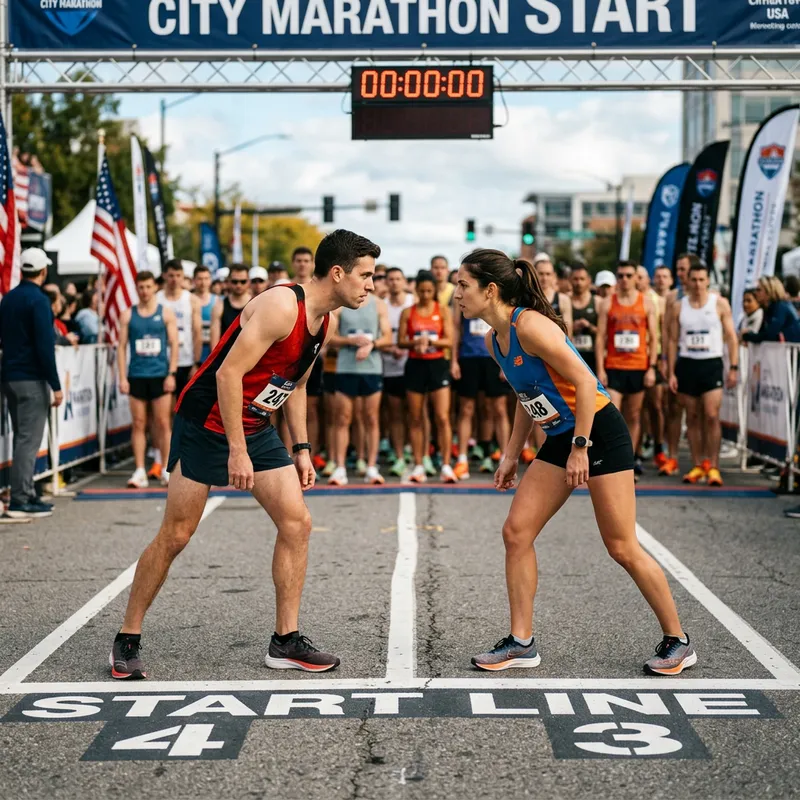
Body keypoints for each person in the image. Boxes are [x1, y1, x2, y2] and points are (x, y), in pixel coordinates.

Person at [109, 229, 380, 680]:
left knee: (298, 522)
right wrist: (237, 451)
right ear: (338, 273)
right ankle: (127, 638)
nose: (371, 284)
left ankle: (285, 641)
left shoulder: (324, 320)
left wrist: (302, 449)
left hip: (254, 425)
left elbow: (296, 386)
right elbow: (228, 375)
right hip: (207, 423)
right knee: (177, 534)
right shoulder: (281, 306)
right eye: (365, 275)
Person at [454, 248, 695, 676]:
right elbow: (525, 396)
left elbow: (586, 382)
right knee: (516, 532)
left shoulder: (530, 326)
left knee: (620, 546)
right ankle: (521, 643)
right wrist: (511, 454)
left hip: (598, 430)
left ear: (490, 290)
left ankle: (678, 640)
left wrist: (581, 447)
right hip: (562, 435)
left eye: (462, 285)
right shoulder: (495, 340)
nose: (455, 293)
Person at [0, 248, 63, 518]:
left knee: (22, 438)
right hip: (31, 377)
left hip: (10, 375)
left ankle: (25, 492)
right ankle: (21, 497)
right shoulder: (38, 300)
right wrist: (56, 384)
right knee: (28, 440)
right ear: (43, 271)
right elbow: (44, 346)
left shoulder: (9, 299)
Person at [666, 262, 739, 486]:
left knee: (711, 415)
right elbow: (672, 340)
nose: (697, 284)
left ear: (708, 281)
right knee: (693, 417)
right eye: (693, 280)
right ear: (687, 281)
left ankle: (714, 466)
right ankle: (698, 464)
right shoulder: (680, 306)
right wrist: (671, 371)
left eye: (701, 280)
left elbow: (731, 337)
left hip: (711, 363)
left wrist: (733, 367)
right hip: (688, 364)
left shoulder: (719, 304)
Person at [595, 261, 659, 475]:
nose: (624, 280)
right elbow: (600, 337)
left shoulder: (646, 303)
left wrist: (652, 368)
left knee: (634, 414)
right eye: (620, 275)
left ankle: (629, 459)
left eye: (628, 275)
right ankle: (613, 457)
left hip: (638, 366)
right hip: (614, 366)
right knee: (613, 413)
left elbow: (654, 337)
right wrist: (600, 369)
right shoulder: (607, 303)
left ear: (635, 278)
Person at [118, 272, 179, 490]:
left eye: (147, 287)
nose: (144, 291)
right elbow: (122, 347)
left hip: (160, 375)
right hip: (137, 375)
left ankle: (166, 468)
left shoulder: (165, 313)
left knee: (163, 423)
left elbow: (174, 343)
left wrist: (171, 373)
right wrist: (122, 377)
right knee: (139, 423)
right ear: (136, 289)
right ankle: (140, 469)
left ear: (154, 288)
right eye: (140, 287)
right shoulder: (127, 315)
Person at [398, 271, 457, 484]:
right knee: (415, 417)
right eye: (421, 291)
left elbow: (449, 340)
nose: (425, 295)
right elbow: (401, 341)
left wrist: (430, 342)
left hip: (437, 364)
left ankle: (446, 465)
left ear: (434, 291)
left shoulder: (442, 310)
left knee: (442, 417)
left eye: (429, 291)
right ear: (416, 290)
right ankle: (419, 464)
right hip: (415, 365)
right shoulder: (408, 312)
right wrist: (416, 342)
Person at [327, 291, 392, 486]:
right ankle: (340, 468)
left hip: (371, 368)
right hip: (346, 367)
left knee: (371, 418)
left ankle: (372, 466)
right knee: (342, 418)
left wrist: (372, 344)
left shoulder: (379, 304)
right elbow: (329, 336)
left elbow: (388, 337)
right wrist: (351, 341)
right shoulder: (340, 303)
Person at [451, 296, 510, 479]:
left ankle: (504, 458)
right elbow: (455, 328)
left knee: (498, 409)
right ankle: (462, 460)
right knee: (466, 409)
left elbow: (506, 328)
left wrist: (506, 361)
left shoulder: (497, 293)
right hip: (469, 357)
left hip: (494, 357)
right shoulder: (462, 295)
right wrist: (454, 360)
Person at [659, 253, 693, 476]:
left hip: (697, 360)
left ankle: (700, 460)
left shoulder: (709, 296)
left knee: (697, 413)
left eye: (684, 270)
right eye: (678, 269)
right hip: (676, 359)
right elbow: (667, 332)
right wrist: (664, 360)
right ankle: (672, 456)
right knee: (673, 409)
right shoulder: (672, 297)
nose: (681, 274)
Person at [381, 267, 414, 477]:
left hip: (412, 365)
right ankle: (399, 454)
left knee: (416, 413)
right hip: (388, 365)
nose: (394, 282)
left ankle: (416, 451)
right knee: (395, 414)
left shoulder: (413, 302)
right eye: (390, 279)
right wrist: (391, 349)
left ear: (403, 281)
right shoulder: (381, 305)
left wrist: (405, 347)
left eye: (397, 279)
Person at [637, 265, 668, 471]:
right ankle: (637, 450)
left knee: (655, 405)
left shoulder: (658, 301)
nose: (637, 280)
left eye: (640, 277)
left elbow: (664, 331)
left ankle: (658, 444)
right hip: (633, 358)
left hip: (653, 357)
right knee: (637, 409)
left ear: (647, 279)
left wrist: (663, 358)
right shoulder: (624, 300)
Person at [157, 259, 202, 398]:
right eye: (171, 275)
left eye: (178, 275)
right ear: (164, 275)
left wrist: (196, 362)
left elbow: (197, 332)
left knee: (183, 405)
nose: (174, 279)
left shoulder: (191, 299)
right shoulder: (157, 299)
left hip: (185, 359)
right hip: (162, 360)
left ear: (183, 276)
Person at [742, 276, 800, 344]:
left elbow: (770, 335)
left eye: (759, 290)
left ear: (769, 291)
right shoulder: (770, 308)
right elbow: (764, 333)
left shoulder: (780, 307)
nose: (755, 293)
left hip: (793, 351)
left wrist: (747, 336)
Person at [210, 264, 251, 349]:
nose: (239, 285)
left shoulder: (256, 304)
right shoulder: (219, 306)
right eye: (235, 282)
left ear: (248, 282)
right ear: (228, 281)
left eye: (243, 281)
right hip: (226, 359)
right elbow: (214, 341)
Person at [533, 253, 573, 336]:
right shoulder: (527, 298)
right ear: (534, 274)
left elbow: (568, 332)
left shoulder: (563, 299)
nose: (545, 278)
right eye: (541, 274)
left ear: (553, 276)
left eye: (548, 274)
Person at [569, 263, 598, 373]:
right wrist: (572, 329)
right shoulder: (565, 301)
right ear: (570, 280)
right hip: (571, 358)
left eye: (582, 279)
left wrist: (589, 326)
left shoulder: (597, 302)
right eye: (575, 279)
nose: (579, 283)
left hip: (592, 358)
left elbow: (604, 333)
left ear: (589, 280)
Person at [193, 264, 218, 363]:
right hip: (192, 352)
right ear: (194, 280)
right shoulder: (188, 300)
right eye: (199, 279)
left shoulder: (217, 301)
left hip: (211, 352)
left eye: (206, 278)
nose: (203, 282)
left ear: (210, 280)